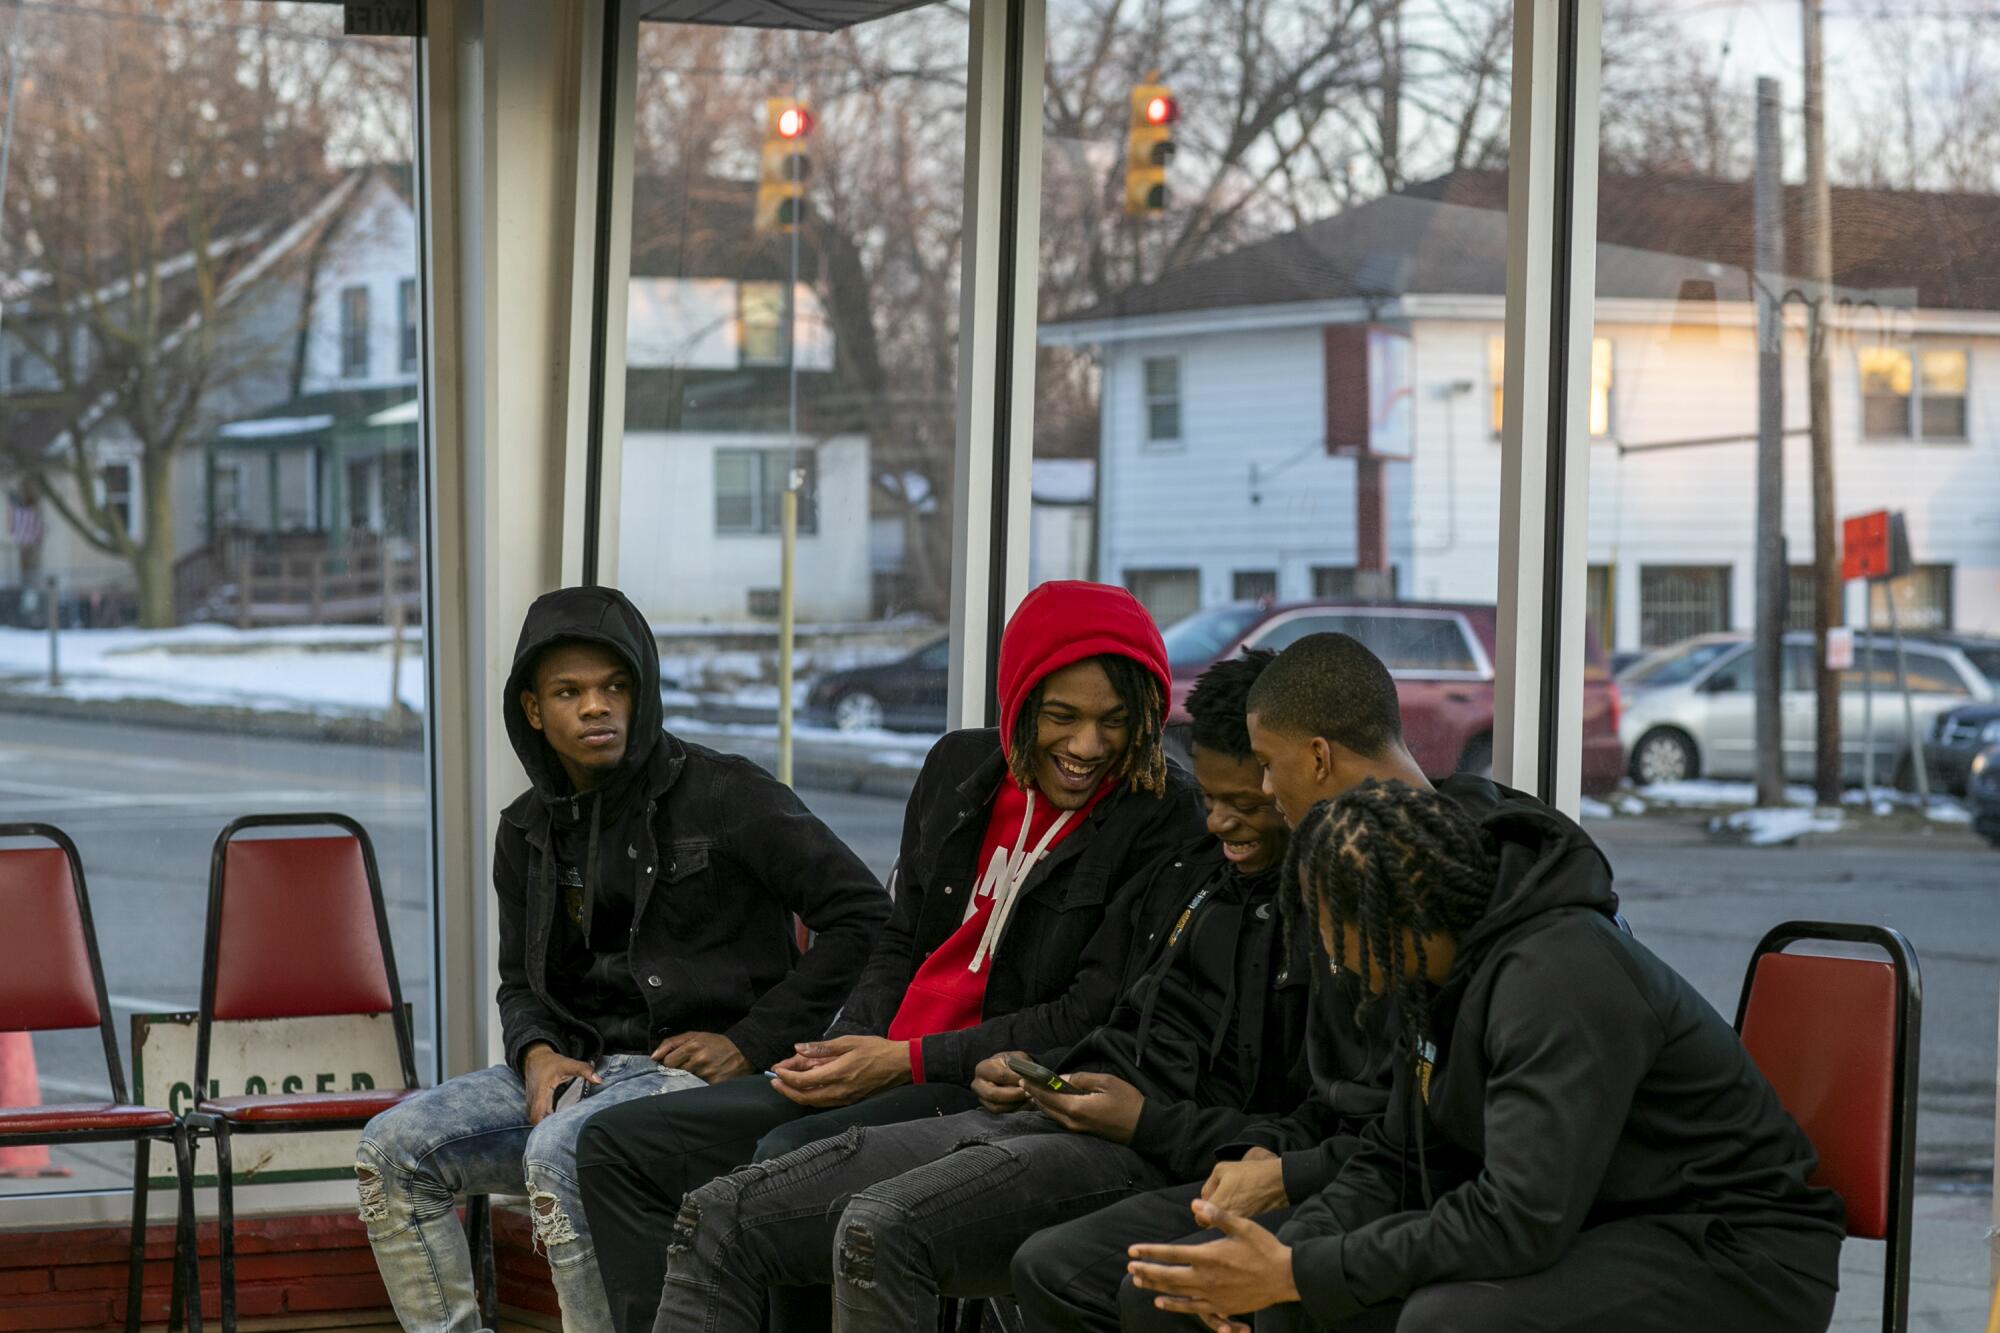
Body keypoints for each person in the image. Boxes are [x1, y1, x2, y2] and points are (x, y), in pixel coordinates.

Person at [577, 579, 1206, 1333]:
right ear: (1019, 704)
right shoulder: (957, 769)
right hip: (885, 1057)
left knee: (782, 1167)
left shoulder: (1163, 813)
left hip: (976, 1084)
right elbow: (901, 936)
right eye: (1061, 717)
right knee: (617, 1145)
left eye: (1113, 722)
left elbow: (1086, 1012)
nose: (1086, 746)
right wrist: (852, 1042)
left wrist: (899, 1062)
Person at [651, 648, 1320, 1333]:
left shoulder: (1314, 910)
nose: (1217, 821)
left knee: (876, 1227)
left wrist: (1144, 1120)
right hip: (1053, 1101)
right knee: (719, 1212)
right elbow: (1104, 1006)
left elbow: (1301, 1126)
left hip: (1139, 1146)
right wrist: (1041, 1070)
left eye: (1245, 802)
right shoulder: (1193, 862)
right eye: (1212, 800)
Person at [354, 585, 890, 1332]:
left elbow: (863, 915)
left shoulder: (726, 792)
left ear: (643, 692)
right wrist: (535, 1051)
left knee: (563, 1150)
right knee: (393, 1149)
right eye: (569, 692)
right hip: (580, 1070)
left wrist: (750, 1042)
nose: (596, 706)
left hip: (701, 1079)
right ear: (534, 710)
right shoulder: (525, 831)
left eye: (614, 687)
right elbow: (520, 981)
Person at [1123, 780, 1846, 1332]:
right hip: (1605, 1217)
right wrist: (1280, 1258)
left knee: (1448, 1321)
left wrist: (1301, 1270)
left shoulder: (1556, 977)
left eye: (1329, 928)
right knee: (1297, 1302)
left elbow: (1519, 1218)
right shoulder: (1434, 972)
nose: (1328, 957)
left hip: (1736, 1248)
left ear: (1386, 920)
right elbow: (1399, 1156)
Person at [1016, 630, 1451, 1332]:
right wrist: (1270, 1160)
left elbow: (1434, 1152)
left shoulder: (1416, 882)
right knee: (1059, 1266)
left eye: (1265, 776)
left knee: (1161, 1294)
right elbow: (1348, 1103)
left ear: (1314, 756)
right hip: (1315, 1158)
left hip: (1369, 1180)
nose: (1259, 795)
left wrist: (1281, 1183)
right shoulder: (1295, 870)